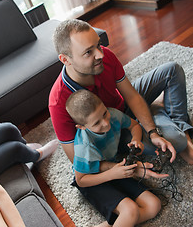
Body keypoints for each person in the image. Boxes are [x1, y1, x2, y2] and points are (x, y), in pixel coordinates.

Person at [49, 19, 193, 176]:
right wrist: (131, 168)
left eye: (98, 44)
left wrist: (153, 132)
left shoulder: (105, 57)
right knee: (176, 142)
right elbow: (77, 161)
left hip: (124, 106)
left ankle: (183, 134)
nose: (100, 54)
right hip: (114, 129)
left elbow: (131, 95)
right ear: (65, 59)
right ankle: (160, 114)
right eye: (88, 52)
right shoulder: (58, 102)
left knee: (172, 70)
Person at [66, 89, 163, 227]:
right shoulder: (84, 146)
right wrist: (111, 175)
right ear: (81, 127)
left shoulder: (113, 114)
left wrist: (136, 139)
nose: (105, 123)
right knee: (130, 210)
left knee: (154, 205)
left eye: (104, 113)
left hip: (114, 168)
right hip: (92, 180)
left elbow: (134, 125)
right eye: (96, 123)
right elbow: (81, 180)